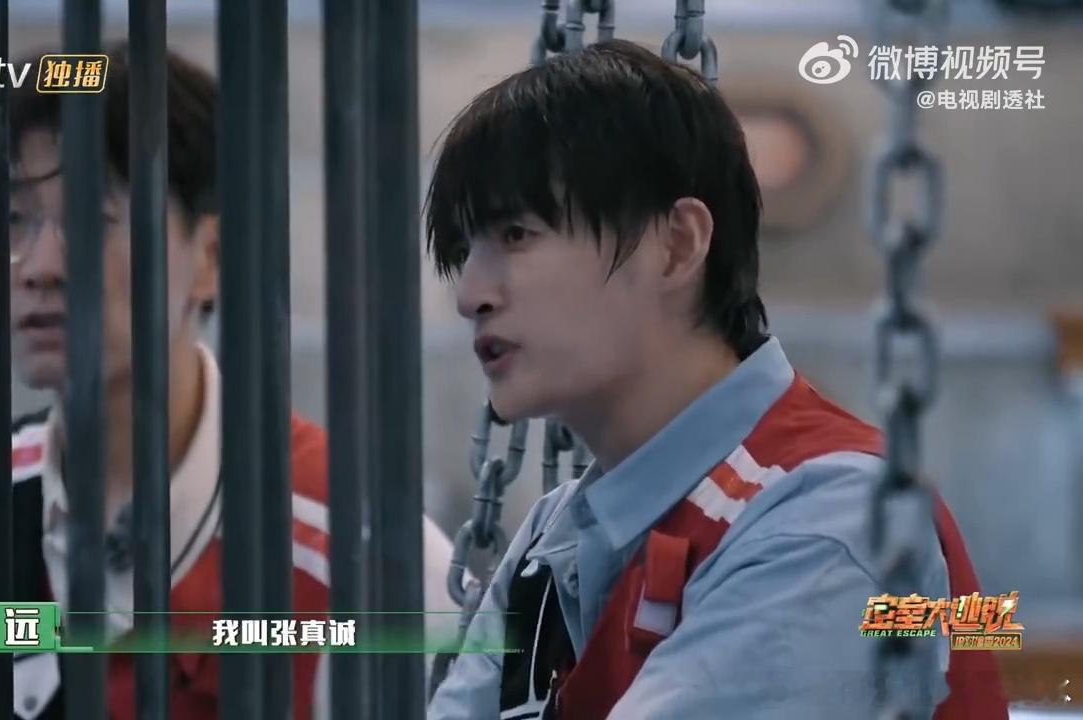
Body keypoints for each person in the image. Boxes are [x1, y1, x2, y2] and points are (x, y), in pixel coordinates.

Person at [0, 46, 459, 719]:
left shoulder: (352, 554)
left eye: (87, 220)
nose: (38, 266)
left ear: (210, 256)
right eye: (11, 219)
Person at [423, 40, 1008, 719]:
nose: (470, 294)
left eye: (516, 235)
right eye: (465, 250)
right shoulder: (557, 534)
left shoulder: (826, 526)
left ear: (677, 245)